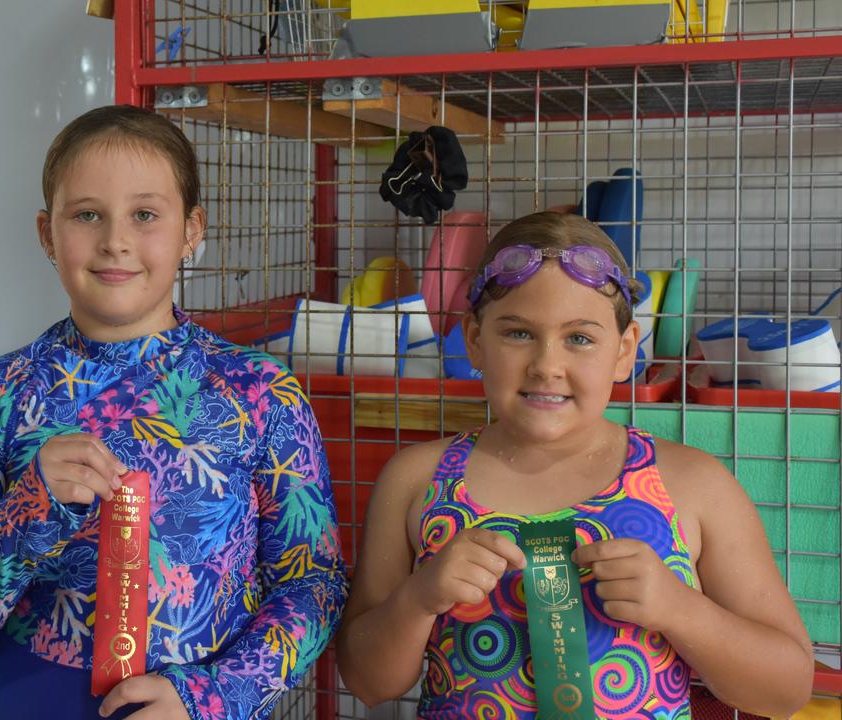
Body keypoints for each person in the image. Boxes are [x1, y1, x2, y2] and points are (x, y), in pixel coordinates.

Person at [0, 104, 347, 719]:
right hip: (29, 701)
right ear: (45, 233)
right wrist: (28, 511)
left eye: (145, 215)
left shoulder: (260, 392)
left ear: (192, 230)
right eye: (88, 215)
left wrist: (211, 698)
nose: (115, 240)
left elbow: (314, 586)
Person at [336, 211, 813, 718]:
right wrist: (418, 600)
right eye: (518, 333)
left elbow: (786, 690)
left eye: (580, 338)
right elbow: (367, 682)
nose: (546, 365)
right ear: (475, 340)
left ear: (625, 351)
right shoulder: (416, 482)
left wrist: (682, 610)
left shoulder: (692, 485)